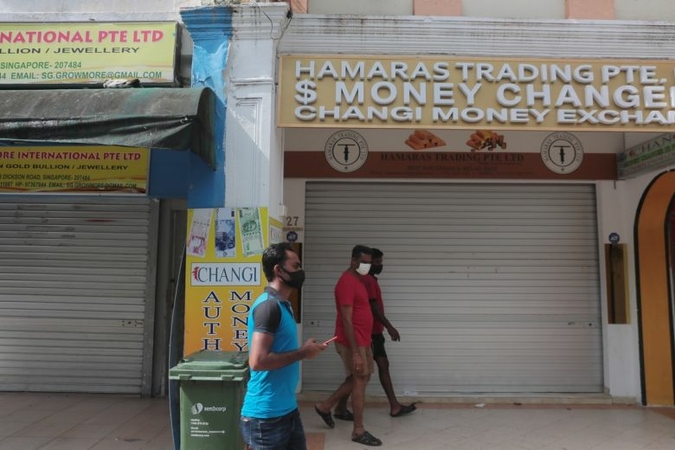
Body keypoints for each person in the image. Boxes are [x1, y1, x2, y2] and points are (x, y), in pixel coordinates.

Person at [239, 242, 327, 450]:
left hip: (287, 409)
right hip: (266, 417)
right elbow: (258, 361)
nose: (300, 271)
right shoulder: (268, 307)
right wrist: (303, 353)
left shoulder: (282, 305)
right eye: (295, 266)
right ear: (278, 270)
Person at [314, 245, 382, 447]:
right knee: (359, 380)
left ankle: (326, 406)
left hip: (362, 339)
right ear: (353, 261)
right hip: (352, 342)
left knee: (362, 376)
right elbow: (346, 319)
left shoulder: (359, 280)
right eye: (364, 262)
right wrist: (355, 353)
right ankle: (358, 431)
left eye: (369, 262)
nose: (367, 266)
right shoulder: (346, 282)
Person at [364, 248, 417, 417]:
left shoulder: (371, 280)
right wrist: (389, 326)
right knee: (361, 375)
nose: (380, 265)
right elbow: (374, 308)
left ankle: (395, 406)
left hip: (375, 332)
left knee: (382, 365)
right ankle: (331, 406)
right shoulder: (368, 281)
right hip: (371, 332)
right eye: (377, 262)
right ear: (369, 263)